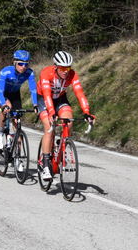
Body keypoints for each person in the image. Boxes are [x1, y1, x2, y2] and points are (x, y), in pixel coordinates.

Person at [37, 50, 95, 181]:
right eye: (63, 68)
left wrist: (86, 112)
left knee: (69, 121)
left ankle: (62, 143)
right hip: (44, 99)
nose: (66, 71)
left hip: (60, 98)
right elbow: (46, 94)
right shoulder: (46, 73)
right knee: (49, 127)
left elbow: (79, 93)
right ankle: (46, 164)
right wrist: (51, 112)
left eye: (68, 67)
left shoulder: (72, 75)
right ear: (56, 66)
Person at [0, 50, 38, 150]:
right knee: (7, 108)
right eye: (20, 64)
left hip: (15, 94)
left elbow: (33, 89)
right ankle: (0, 133)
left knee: (17, 118)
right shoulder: (5, 71)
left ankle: (16, 152)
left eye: (26, 64)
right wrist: (3, 105)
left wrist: (35, 104)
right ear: (14, 63)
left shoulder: (29, 73)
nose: (23, 67)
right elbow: (0, 92)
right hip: (3, 93)